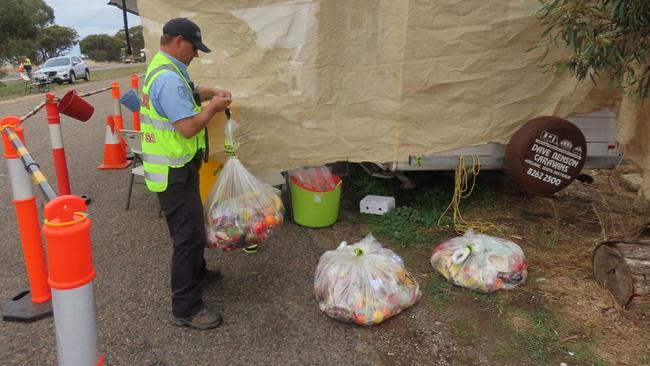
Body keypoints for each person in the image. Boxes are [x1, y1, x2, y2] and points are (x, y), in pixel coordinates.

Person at [140, 17, 232, 330]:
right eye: (194, 48)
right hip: (173, 170)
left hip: (173, 167)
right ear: (179, 41)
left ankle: (198, 272)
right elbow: (189, 126)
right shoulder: (167, 79)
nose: (197, 54)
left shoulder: (163, 68)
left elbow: (188, 90)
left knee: (190, 228)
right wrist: (213, 108)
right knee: (188, 236)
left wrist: (210, 92)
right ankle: (186, 307)